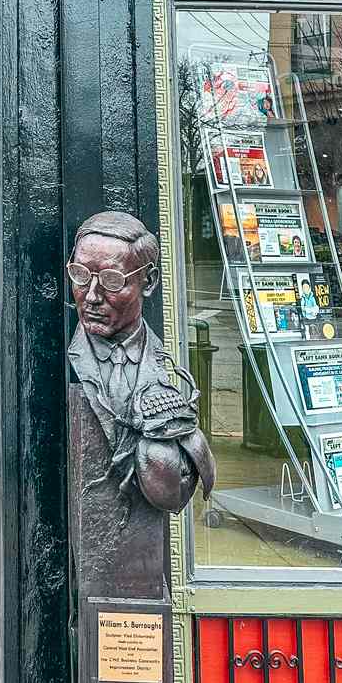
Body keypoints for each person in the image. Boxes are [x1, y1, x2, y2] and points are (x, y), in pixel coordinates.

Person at [66, 210, 215, 513]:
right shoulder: (71, 356)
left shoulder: (165, 364)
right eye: (81, 275)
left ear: (148, 282)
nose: (92, 296)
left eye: (111, 280)